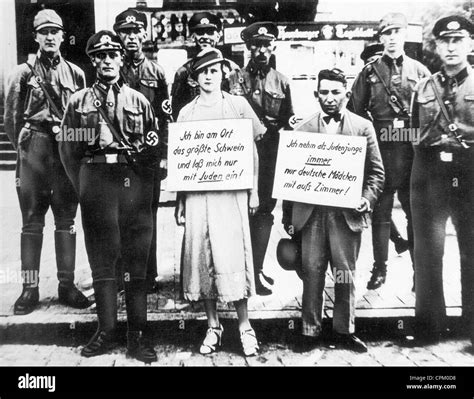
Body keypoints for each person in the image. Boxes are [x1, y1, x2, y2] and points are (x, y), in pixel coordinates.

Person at [60, 31, 162, 363]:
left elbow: (152, 148)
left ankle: (137, 335)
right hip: (97, 180)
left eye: (112, 54)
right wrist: (85, 185)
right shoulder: (78, 103)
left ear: (121, 58)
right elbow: (68, 151)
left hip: (133, 183)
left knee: (135, 261)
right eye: (100, 55)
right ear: (93, 61)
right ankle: (106, 331)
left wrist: (144, 184)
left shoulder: (138, 101)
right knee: (102, 260)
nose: (106, 60)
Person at [283, 68, 385, 353]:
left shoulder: (363, 127)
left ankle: (344, 330)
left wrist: (368, 198)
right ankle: (309, 330)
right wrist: (289, 221)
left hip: (346, 214)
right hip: (312, 214)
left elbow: (376, 173)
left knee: (345, 273)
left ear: (347, 94)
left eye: (336, 92)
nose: (329, 98)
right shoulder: (302, 129)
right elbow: (291, 177)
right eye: (324, 92)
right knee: (312, 271)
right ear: (316, 95)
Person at [174, 48, 265, 357]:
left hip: (232, 195)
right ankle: (213, 324)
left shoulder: (238, 105)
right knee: (201, 254)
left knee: (233, 255)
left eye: (215, 70)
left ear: (224, 72)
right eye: (203, 71)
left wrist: (253, 191)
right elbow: (182, 161)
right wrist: (182, 202)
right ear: (195, 78)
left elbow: (252, 150)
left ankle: (244, 326)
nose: (209, 76)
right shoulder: (186, 113)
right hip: (199, 196)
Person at [4, 9, 90, 315]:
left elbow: (81, 116)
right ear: (36, 36)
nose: (50, 37)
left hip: (64, 153)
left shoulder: (76, 74)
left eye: (56, 32)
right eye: (45, 32)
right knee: (31, 223)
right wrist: (28, 149)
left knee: (66, 222)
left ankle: (66, 286)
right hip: (34, 153)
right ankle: (29, 289)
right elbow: (12, 119)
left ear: (63, 37)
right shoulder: (22, 73)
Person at [348, 13, 430, 290]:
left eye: (397, 32)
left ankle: (420, 273)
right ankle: (379, 270)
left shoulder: (420, 71)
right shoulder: (369, 73)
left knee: (415, 214)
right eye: (386, 33)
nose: (392, 37)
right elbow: (354, 114)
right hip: (381, 153)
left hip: (411, 154)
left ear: (404, 34)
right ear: (380, 38)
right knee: (381, 215)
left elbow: (432, 116)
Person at [408, 16, 474, 347]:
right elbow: (410, 132)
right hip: (432, 173)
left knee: (472, 252)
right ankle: (429, 327)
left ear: (470, 44)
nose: (451, 46)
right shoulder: (422, 87)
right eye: (444, 41)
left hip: (471, 172)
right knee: (428, 252)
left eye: (458, 40)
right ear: (436, 47)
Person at [229, 21, 294, 296]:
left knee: (264, 211)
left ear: (273, 47)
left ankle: (255, 269)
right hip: (238, 153)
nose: (262, 50)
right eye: (256, 44)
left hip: (269, 155)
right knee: (237, 212)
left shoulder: (282, 81)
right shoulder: (233, 79)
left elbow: (289, 121)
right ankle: (236, 270)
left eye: (267, 45)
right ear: (248, 47)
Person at [113, 9, 171, 293]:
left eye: (136, 32)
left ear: (144, 35)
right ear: (119, 36)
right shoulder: (111, 68)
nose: (131, 38)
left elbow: (164, 118)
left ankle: (149, 275)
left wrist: (163, 155)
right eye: (126, 33)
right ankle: (126, 275)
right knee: (122, 214)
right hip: (121, 155)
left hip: (148, 156)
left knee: (148, 214)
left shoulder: (156, 72)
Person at [360, 43, 410, 256]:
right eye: (370, 62)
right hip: (376, 153)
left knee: (410, 209)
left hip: (404, 153)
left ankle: (405, 250)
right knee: (378, 206)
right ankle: (382, 262)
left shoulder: (406, 76)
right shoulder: (364, 82)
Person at [171, 11, 240, 120]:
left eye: (210, 32)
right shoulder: (184, 72)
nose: (205, 37)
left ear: (218, 36)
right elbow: (177, 111)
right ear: (193, 36)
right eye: (200, 32)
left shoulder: (231, 69)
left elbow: (239, 107)